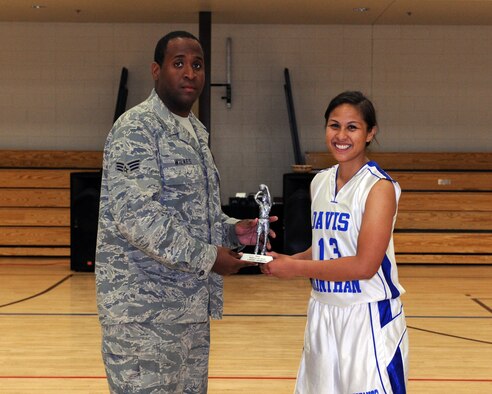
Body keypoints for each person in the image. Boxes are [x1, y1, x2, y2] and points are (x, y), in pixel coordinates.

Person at [95, 30, 274, 393]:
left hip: (187, 313)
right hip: (142, 318)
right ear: (156, 70)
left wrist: (231, 230)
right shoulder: (136, 128)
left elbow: (192, 214)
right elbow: (139, 219)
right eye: (179, 64)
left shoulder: (195, 132)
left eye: (197, 65)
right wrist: (211, 258)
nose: (190, 73)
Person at [262, 91, 409, 394]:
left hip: (366, 315)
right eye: (334, 125)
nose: (341, 135)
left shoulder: (378, 188)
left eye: (352, 127)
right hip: (323, 312)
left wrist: (297, 270)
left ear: (370, 133)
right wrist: (284, 260)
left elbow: (365, 265)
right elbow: (328, 246)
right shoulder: (319, 182)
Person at [254, 184, 272, 255]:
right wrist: (259, 192)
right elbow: (255, 198)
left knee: (265, 235)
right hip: (260, 220)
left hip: (266, 221)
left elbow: (270, 198)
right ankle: (256, 248)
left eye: (265, 197)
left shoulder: (269, 205)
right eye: (263, 197)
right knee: (258, 234)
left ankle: (264, 249)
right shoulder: (260, 204)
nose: (263, 198)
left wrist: (267, 188)